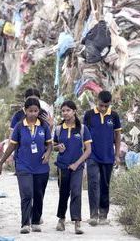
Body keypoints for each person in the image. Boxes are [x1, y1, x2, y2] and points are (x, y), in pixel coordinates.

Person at [0, 98, 53, 234]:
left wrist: (48, 153)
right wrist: (1, 162)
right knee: (27, 194)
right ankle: (25, 223)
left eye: (35, 111)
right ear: (25, 111)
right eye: (30, 111)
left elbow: (49, 144)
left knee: (38, 195)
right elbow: (12, 145)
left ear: (39, 111)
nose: (33, 114)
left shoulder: (44, 126)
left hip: (41, 167)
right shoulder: (19, 126)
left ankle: (35, 221)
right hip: (23, 166)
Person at [83, 90, 122, 226]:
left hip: (108, 156)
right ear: (96, 101)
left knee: (104, 184)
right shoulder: (88, 115)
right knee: (93, 183)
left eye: (106, 106)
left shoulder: (114, 116)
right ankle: (93, 215)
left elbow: (117, 136)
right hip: (92, 155)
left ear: (110, 103)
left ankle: (103, 214)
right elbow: (84, 135)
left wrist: (117, 154)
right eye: (101, 105)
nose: (103, 108)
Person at [53, 100, 92, 234]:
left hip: (78, 167)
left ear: (74, 111)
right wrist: (58, 147)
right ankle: (61, 220)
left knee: (76, 192)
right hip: (62, 166)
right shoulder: (59, 129)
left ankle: (77, 222)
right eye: (63, 110)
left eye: (68, 110)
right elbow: (53, 146)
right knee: (63, 193)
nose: (65, 113)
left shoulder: (82, 129)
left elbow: (88, 150)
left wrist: (76, 164)